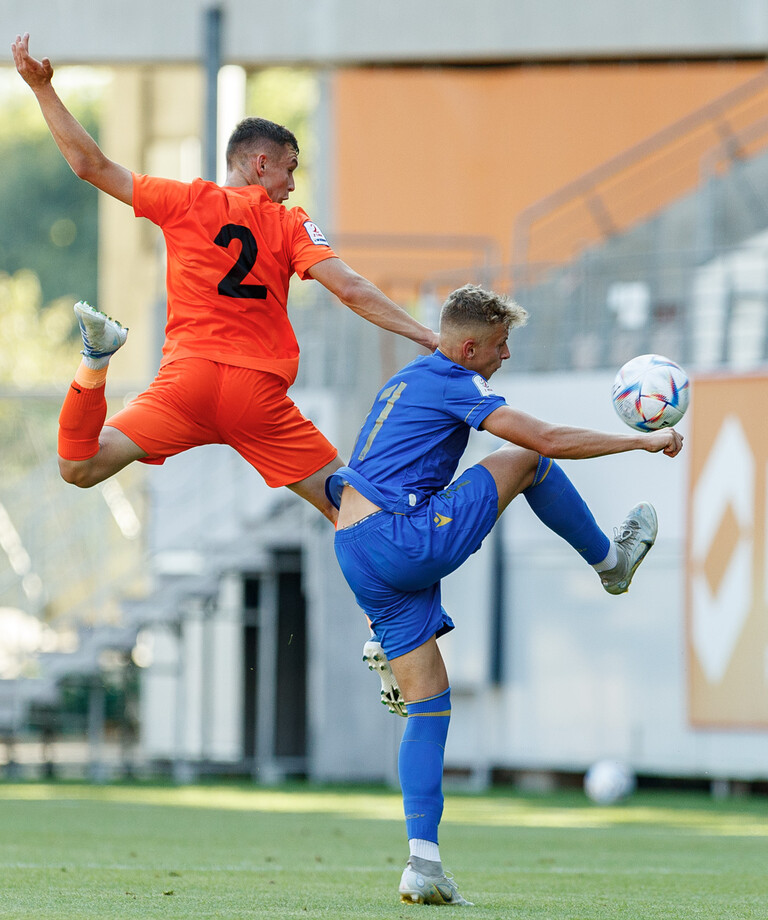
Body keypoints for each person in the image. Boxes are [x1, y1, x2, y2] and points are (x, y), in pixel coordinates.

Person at [325, 284, 683, 905]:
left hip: (355, 547)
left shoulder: (411, 378)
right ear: (469, 347)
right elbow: (544, 438)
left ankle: (423, 864)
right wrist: (640, 440)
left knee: (428, 705)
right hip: (403, 537)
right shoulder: (455, 382)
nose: (506, 354)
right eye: (499, 344)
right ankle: (610, 562)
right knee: (527, 459)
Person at [12, 33, 437, 522]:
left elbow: (90, 165)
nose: (293, 185)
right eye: (289, 169)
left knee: (79, 465)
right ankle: (401, 591)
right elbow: (351, 288)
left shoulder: (184, 200)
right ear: (260, 164)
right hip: (255, 394)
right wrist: (426, 334)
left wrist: (42, 89)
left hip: (186, 382)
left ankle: (95, 362)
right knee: (352, 511)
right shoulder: (291, 222)